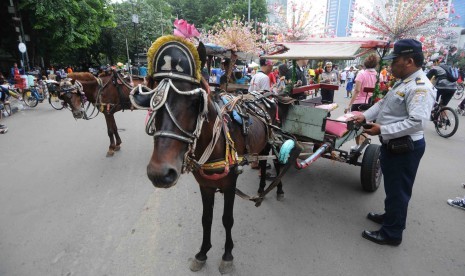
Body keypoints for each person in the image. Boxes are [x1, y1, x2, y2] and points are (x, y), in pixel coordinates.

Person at [352, 39, 436, 246]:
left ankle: (392, 233)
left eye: (394, 61)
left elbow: (417, 123)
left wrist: (383, 129)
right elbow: (383, 103)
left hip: (405, 148)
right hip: (393, 145)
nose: (390, 65)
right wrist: (365, 116)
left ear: (409, 61)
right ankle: (390, 217)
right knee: (392, 187)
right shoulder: (405, 81)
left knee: (399, 191)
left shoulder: (420, 87)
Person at [345, 54, 379, 145]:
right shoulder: (377, 74)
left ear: (365, 64)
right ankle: (362, 145)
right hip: (370, 102)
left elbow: (357, 90)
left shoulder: (361, 73)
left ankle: (358, 145)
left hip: (359, 102)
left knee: (357, 125)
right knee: (366, 124)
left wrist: (349, 105)